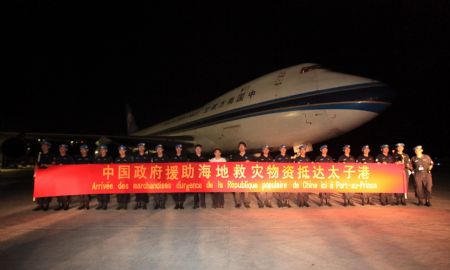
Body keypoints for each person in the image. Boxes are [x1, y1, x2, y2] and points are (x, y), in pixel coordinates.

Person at [33, 140, 54, 211]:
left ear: (48, 147)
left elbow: (53, 165)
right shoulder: (39, 154)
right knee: (39, 189)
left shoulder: (52, 155)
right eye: (42, 145)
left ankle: (46, 204)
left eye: (45, 145)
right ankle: (39, 204)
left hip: (48, 174)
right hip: (40, 174)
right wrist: (35, 172)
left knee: (47, 189)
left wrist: (45, 165)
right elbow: (37, 164)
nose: (43, 147)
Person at [230, 141, 252, 208]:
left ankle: (247, 203)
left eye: (242, 146)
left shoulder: (249, 156)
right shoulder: (235, 157)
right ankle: (238, 203)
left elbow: (255, 165)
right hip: (238, 176)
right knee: (237, 190)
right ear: (238, 148)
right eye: (240, 147)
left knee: (246, 190)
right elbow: (231, 166)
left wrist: (250, 162)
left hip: (247, 176)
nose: (241, 148)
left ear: (245, 148)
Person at [54, 144, 74, 211]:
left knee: (65, 191)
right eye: (61, 148)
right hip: (58, 177)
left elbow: (73, 167)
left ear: (66, 149)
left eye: (63, 148)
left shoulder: (69, 157)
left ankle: (66, 204)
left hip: (66, 177)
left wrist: (64, 166)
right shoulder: (57, 157)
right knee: (58, 192)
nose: (62, 149)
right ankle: (60, 204)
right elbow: (53, 167)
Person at [75, 144, 93, 210]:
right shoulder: (78, 158)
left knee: (86, 192)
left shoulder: (90, 158)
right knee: (80, 192)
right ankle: (81, 204)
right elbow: (74, 167)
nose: (82, 151)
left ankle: (87, 204)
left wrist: (90, 165)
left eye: (84, 149)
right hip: (80, 177)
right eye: (81, 149)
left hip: (87, 177)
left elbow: (94, 167)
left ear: (87, 150)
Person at [94, 144, 113, 210]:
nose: (102, 151)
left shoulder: (109, 158)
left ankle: (105, 204)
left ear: (106, 150)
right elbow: (94, 168)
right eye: (101, 150)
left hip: (106, 177)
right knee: (99, 190)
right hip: (99, 177)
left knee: (105, 191)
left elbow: (112, 167)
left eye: (103, 149)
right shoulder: (97, 158)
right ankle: (100, 203)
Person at [133, 142, 151, 210]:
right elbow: (133, 166)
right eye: (140, 147)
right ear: (138, 148)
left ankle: (144, 203)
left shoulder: (147, 157)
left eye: (142, 147)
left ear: (144, 148)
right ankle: (138, 203)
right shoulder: (135, 156)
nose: (141, 148)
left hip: (145, 176)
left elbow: (150, 166)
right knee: (137, 189)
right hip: (137, 175)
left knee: (144, 190)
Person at [114, 145, 132, 210]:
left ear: (125, 151)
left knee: (125, 191)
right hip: (118, 178)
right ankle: (119, 204)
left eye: (123, 150)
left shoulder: (128, 159)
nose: (121, 151)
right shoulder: (116, 159)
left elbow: (131, 168)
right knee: (119, 191)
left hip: (126, 178)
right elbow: (114, 169)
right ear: (119, 151)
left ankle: (125, 204)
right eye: (120, 150)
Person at [190, 144, 207, 209]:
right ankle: (195, 204)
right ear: (195, 150)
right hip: (195, 177)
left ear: (201, 150)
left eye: (199, 149)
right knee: (195, 191)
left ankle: (203, 204)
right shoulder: (192, 157)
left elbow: (207, 166)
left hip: (202, 177)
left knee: (202, 191)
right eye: (196, 149)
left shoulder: (204, 157)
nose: (198, 150)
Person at [152, 144, 169, 209]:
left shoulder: (166, 157)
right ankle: (157, 204)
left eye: (160, 149)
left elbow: (168, 167)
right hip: (156, 177)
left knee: (163, 191)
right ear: (156, 150)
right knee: (156, 191)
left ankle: (162, 204)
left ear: (162, 150)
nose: (159, 150)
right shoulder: (153, 158)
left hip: (163, 177)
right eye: (157, 149)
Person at [172, 144, 188, 209]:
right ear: (176, 149)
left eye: (179, 148)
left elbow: (187, 166)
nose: (178, 149)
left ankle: (181, 204)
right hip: (175, 176)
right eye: (177, 148)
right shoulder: (173, 157)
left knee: (182, 190)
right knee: (175, 190)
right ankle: (176, 204)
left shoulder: (184, 157)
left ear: (181, 149)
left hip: (182, 176)